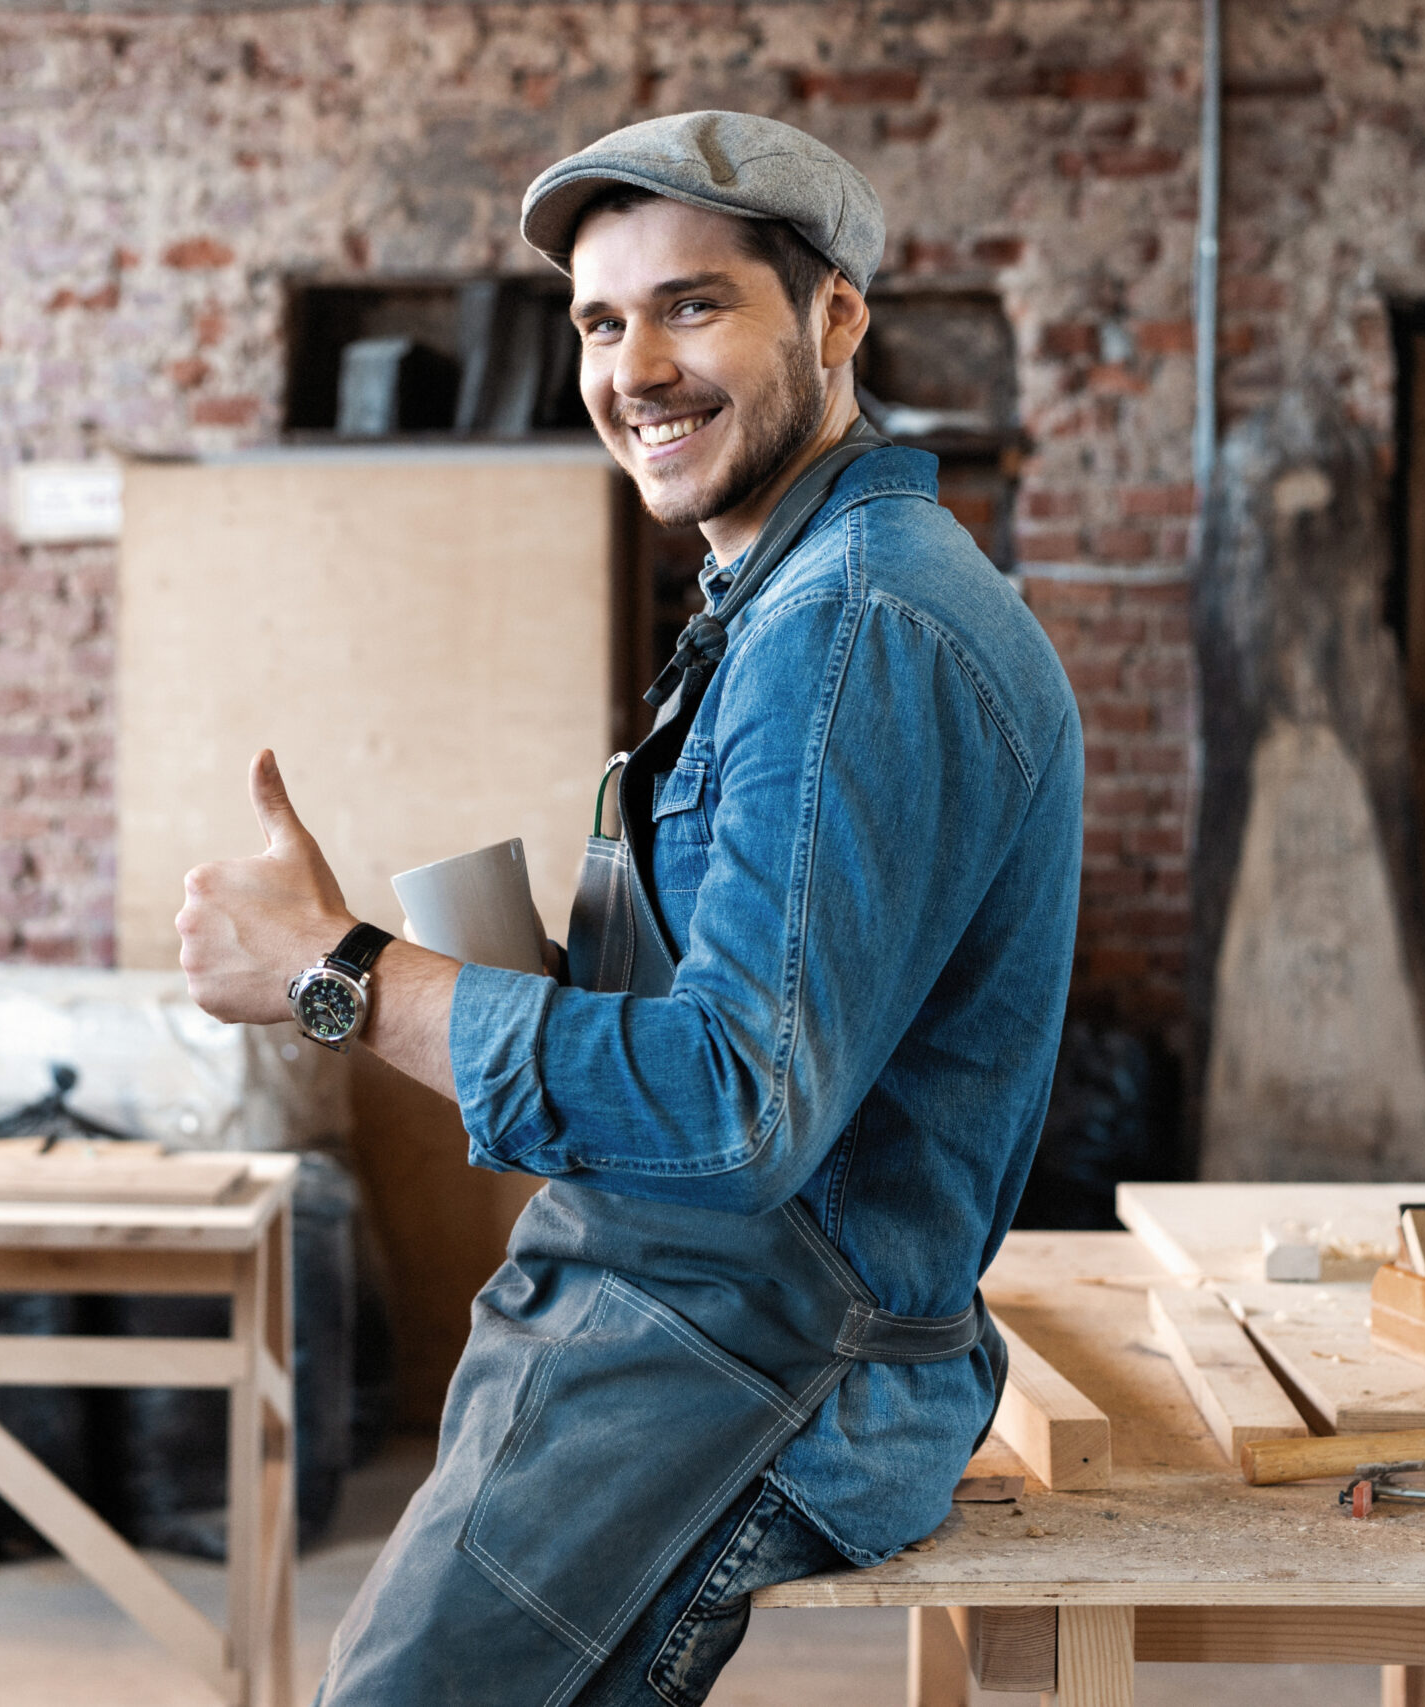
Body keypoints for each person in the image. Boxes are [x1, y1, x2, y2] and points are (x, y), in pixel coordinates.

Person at [176, 110, 1083, 1706]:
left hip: (749, 1366)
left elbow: (738, 1104)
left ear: (836, 318)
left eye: (693, 305)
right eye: (602, 321)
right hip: (677, 1322)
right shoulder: (788, 593)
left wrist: (340, 975)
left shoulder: (853, 624)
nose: (634, 368)